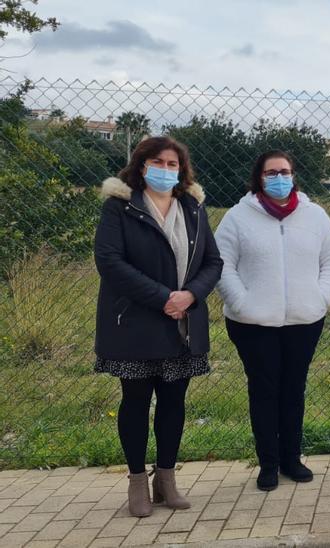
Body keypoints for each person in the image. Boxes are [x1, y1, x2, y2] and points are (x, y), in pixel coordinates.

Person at [93, 136, 222, 517]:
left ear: (181, 170)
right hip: (136, 323)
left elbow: (213, 262)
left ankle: (165, 479)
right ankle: (136, 482)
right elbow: (110, 261)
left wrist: (190, 296)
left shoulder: (193, 207)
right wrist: (163, 296)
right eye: (158, 162)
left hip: (182, 324)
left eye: (173, 164)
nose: (165, 170)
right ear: (141, 164)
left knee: (173, 403)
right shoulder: (120, 207)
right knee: (135, 402)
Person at [216, 150, 330, 491]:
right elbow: (220, 264)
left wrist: (321, 297)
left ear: (294, 175)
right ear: (258, 177)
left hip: (304, 320)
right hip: (252, 323)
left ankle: (292, 458)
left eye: (285, 171)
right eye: (271, 172)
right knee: (264, 390)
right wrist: (242, 303)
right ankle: (268, 464)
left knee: (293, 390)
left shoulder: (314, 215)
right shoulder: (237, 217)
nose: (279, 178)